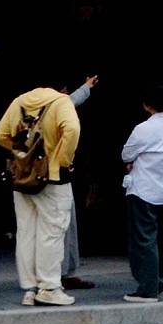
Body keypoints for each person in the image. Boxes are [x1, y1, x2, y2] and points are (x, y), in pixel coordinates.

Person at [0, 79, 82, 307]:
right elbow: (72, 129)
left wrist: (22, 153)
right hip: (51, 178)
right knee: (51, 232)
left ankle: (29, 289)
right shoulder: (61, 102)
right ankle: (49, 287)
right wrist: (63, 160)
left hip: (23, 178)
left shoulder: (19, 102)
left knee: (26, 232)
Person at [119, 87, 163, 303]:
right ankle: (160, 280)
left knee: (143, 239)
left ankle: (147, 288)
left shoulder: (143, 128)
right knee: (160, 238)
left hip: (143, 188)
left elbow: (126, 153)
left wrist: (132, 161)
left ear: (147, 105)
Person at [60, 74, 99, 291]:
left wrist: (85, 86)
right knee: (61, 225)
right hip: (53, 177)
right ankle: (59, 274)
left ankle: (64, 272)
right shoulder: (52, 108)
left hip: (43, 177)